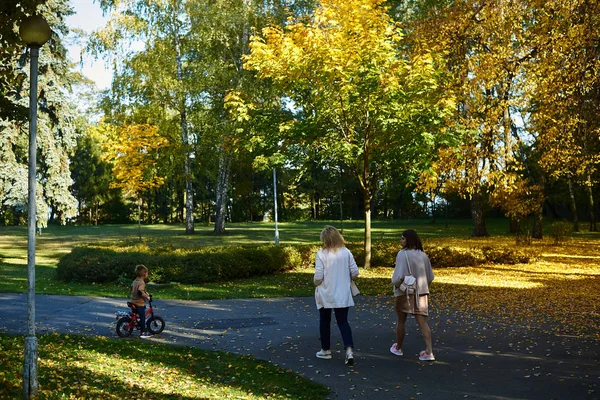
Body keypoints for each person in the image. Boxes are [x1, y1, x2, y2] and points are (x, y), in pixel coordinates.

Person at [314, 225, 359, 366]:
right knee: (343, 322)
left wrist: (315, 282)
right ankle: (349, 350)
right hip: (342, 293)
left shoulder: (321, 254)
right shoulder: (346, 252)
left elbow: (319, 275)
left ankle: (325, 350)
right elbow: (355, 272)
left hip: (326, 292)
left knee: (325, 321)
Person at [390, 229, 435, 361]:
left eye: (403, 238)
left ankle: (398, 347)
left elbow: (398, 276)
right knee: (422, 322)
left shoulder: (402, 254)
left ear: (408, 240)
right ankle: (429, 351)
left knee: (401, 320)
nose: (401, 241)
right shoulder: (423, 255)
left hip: (405, 292)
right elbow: (430, 276)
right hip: (421, 293)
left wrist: (396, 284)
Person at [131, 264, 152, 338]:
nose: (147, 274)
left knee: (136, 315)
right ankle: (143, 333)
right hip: (139, 303)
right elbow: (140, 291)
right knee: (143, 318)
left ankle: (135, 324)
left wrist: (145, 292)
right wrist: (147, 297)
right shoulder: (142, 282)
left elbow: (137, 289)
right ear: (144, 274)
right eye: (147, 273)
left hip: (133, 302)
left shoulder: (135, 281)